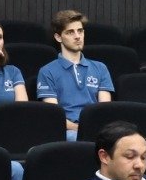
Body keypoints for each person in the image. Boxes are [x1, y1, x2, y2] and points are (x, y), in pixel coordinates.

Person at [35, 9, 115, 138]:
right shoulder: (47, 71)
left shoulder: (100, 68)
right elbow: (54, 116)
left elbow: (104, 111)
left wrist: (92, 129)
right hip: (67, 131)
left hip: (96, 130)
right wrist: (82, 129)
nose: (77, 36)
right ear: (58, 37)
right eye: (70, 32)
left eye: (80, 31)